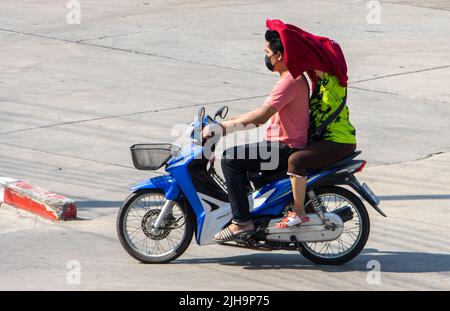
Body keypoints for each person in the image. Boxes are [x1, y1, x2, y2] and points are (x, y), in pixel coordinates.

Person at [202, 29, 310, 242]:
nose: (266, 57)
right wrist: (223, 124)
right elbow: (257, 113)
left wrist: (222, 128)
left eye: (268, 52)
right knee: (245, 162)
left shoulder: (289, 81)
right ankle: (259, 219)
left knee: (231, 159)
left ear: (279, 55)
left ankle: (241, 223)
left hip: (285, 147)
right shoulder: (293, 77)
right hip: (279, 143)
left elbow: (260, 117)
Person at [265, 20, 357, 228]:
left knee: (296, 161)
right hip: (327, 140)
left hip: (338, 142)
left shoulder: (334, 82)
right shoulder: (318, 83)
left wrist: (287, 35)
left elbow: (311, 55)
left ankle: (298, 212)